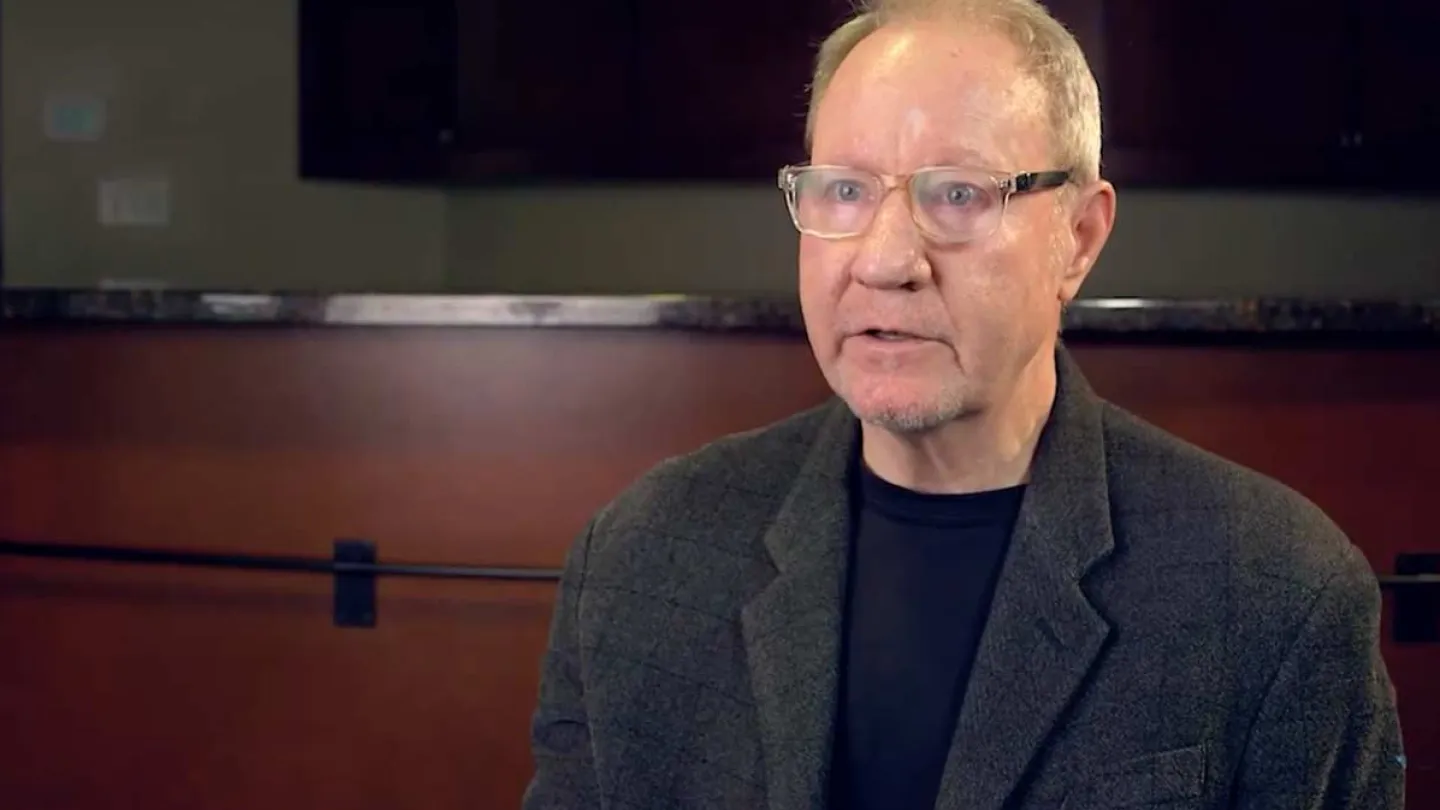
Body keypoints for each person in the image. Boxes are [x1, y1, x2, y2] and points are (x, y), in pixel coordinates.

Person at [522, 0, 1406, 807]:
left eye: (958, 194)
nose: (883, 259)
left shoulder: (1277, 594)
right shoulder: (638, 559)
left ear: (1080, 238)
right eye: (844, 191)